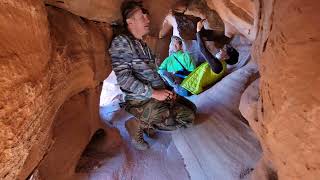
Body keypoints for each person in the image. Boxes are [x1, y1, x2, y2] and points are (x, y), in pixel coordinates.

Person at [109, 1, 196, 150]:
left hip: (156, 94)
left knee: (192, 107)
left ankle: (150, 121)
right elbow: (124, 80)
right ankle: (137, 124)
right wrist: (154, 93)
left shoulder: (142, 44)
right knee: (188, 118)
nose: (148, 19)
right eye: (142, 16)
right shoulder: (122, 42)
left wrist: (168, 89)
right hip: (140, 100)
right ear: (130, 22)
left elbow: (154, 74)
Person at [180, 19, 239, 95]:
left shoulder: (218, 66)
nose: (220, 49)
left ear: (227, 57)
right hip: (188, 85)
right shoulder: (222, 65)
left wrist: (198, 30)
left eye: (223, 50)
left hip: (187, 89)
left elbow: (203, 50)